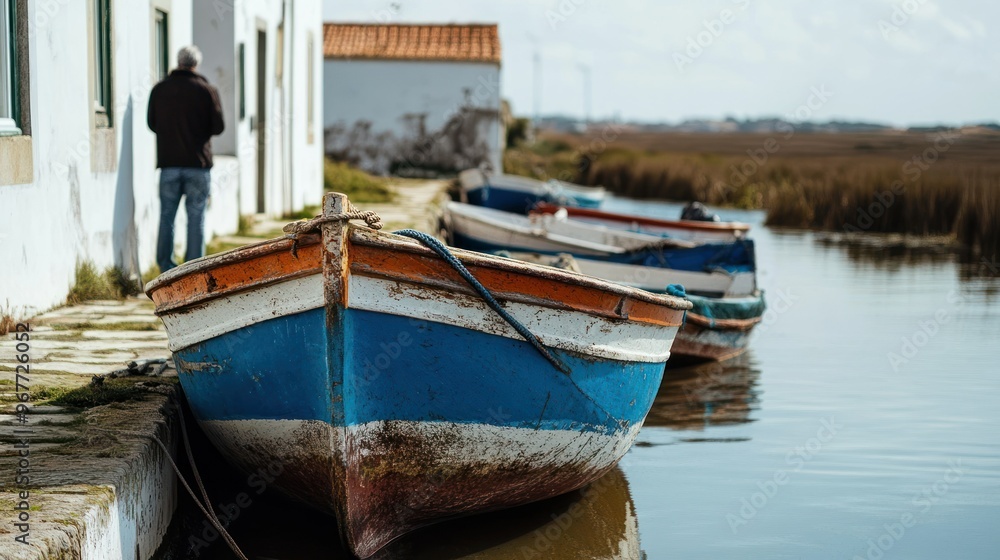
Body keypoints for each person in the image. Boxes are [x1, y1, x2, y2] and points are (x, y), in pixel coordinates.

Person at [147, 45, 225, 272]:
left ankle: (166, 267)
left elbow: (152, 123)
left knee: (167, 216)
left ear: (178, 61)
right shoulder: (206, 90)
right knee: (196, 217)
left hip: (169, 164)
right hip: (198, 165)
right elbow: (218, 127)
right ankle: (192, 269)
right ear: (195, 64)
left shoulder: (159, 90)